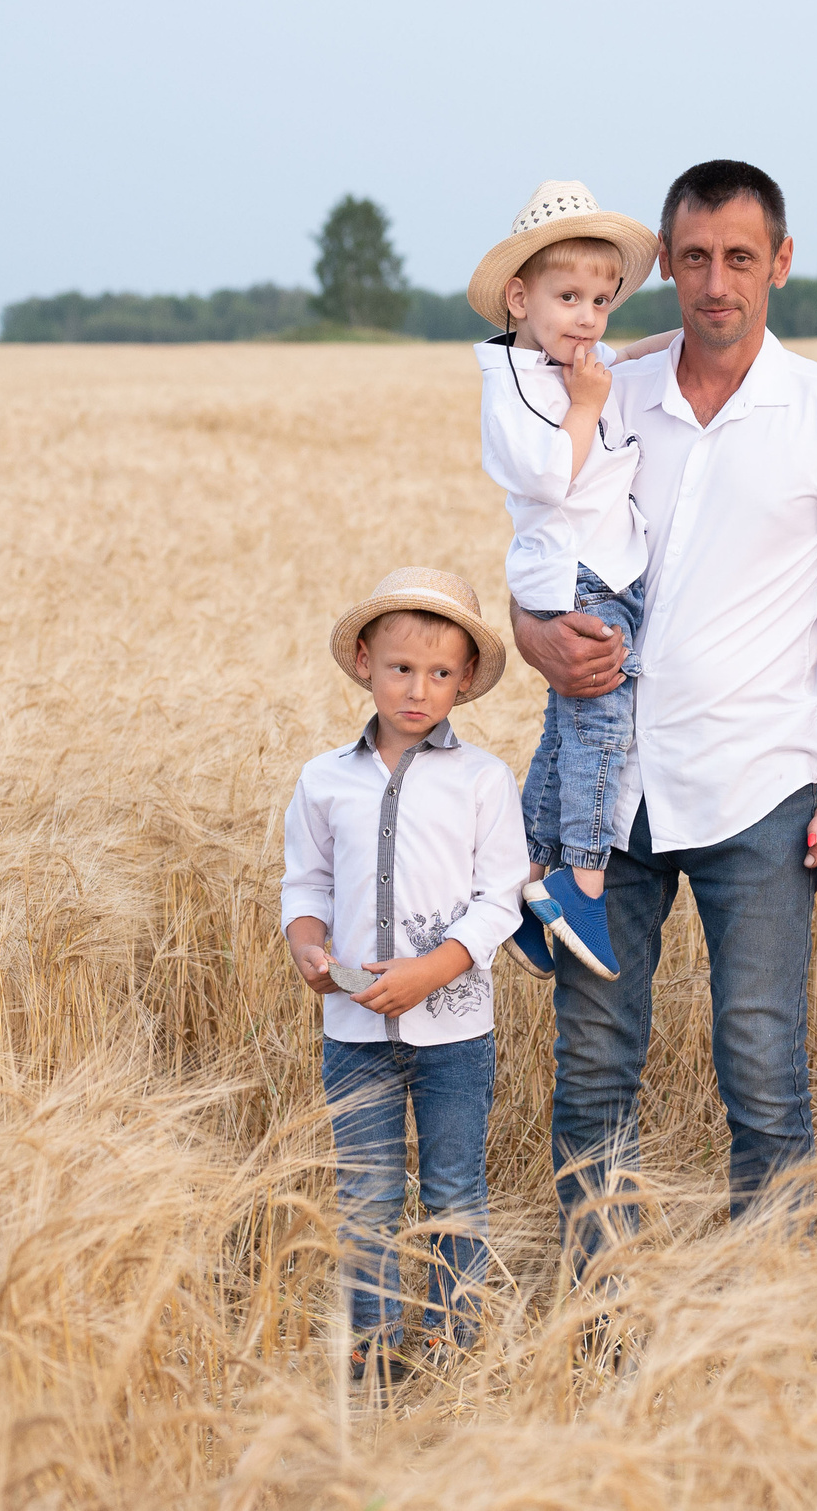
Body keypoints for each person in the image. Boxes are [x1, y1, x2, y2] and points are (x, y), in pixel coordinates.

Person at [511, 159, 817, 1251]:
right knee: (593, 1066)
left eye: (740, 257)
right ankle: (596, 1317)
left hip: (758, 784)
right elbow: (539, 558)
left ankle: (765, 1322)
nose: (716, 281)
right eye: (693, 258)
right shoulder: (603, 392)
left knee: (762, 1063)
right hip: (608, 795)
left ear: (780, 262)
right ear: (665, 268)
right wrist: (536, 635)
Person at [278, 568, 529, 1382]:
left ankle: (458, 1339)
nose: (418, 689)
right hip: (352, 1032)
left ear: (463, 680)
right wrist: (308, 947)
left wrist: (431, 969)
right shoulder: (325, 779)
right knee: (367, 1196)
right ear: (363, 661)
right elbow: (305, 884)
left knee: (454, 1188)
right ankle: (375, 1350)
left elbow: (502, 900)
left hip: (454, 1030)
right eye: (400, 668)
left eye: (440, 673)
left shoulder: (482, 779)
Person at [468, 181, 661, 982]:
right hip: (578, 575)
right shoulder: (513, 384)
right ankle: (581, 881)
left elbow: (628, 360)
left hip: (599, 566)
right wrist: (585, 405)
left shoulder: (573, 361)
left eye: (602, 301)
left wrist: (696, 339)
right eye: (568, 296)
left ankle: (524, 880)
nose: (588, 316)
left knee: (562, 728)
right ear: (520, 297)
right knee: (599, 726)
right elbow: (550, 476)